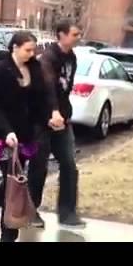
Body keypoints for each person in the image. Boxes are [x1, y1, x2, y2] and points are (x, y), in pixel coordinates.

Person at [0, 31, 49, 242]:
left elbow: (41, 98)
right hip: (2, 135)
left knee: (13, 182)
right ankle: (8, 236)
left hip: (26, 135)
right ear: (14, 47)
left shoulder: (34, 69)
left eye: (34, 50)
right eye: (28, 50)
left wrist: (50, 116)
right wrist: (7, 131)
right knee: (12, 184)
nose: (32, 54)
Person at [28, 19, 86, 229]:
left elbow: (65, 89)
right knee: (38, 166)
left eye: (78, 34)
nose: (78, 38)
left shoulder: (72, 57)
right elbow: (48, 87)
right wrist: (53, 111)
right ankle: (30, 210)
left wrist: (64, 113)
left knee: (69, 165)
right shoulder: (47, 58)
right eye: (74, 34)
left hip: (63, 120)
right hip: (42, 120)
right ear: (61, 35)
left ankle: (68, 212)